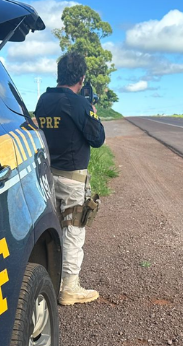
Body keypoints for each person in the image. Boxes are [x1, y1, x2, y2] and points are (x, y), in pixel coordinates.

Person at [35, 52, 106, 305]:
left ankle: (51, 281)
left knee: (52, 230)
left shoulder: (43, 100)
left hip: (46, 176)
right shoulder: (79, 105)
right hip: (73, 179)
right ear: (82, 78)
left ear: (59, 74)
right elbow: (97, 139)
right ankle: (69, 288)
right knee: (74, 231)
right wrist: (92, 112)